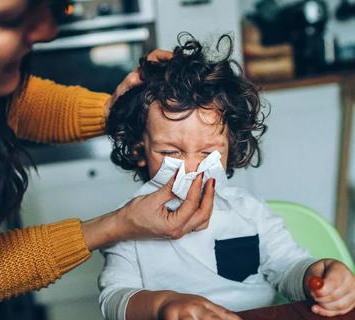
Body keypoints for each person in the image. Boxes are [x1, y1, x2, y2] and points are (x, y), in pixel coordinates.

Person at [0, 0, 216, 314]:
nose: (48, 30)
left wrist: (119, 111)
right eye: (7, 18)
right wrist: (116, 225)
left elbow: (22, 103)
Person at [100, 34, 355, 320]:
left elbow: (287, 268)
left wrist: (316, 276)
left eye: (208, 151)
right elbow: (114, 299)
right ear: (140, 151)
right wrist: (162, 306)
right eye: (172, 153)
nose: (193, 168)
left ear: (230, 146)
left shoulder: (248, 211)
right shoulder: (127, 224)